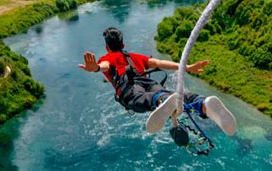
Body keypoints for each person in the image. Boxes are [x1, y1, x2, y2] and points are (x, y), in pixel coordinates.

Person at [79, 27, 236, 138]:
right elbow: (159, 62)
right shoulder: (134, 56)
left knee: (143, 100)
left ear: (107, 47)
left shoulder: (107, 58)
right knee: (177, 96)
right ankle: (202, 103)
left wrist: (96, 68)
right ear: (123, 45)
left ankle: (162, 101)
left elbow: (104, 66)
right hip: (150, 83)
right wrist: (186, 67)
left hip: (130, 88)